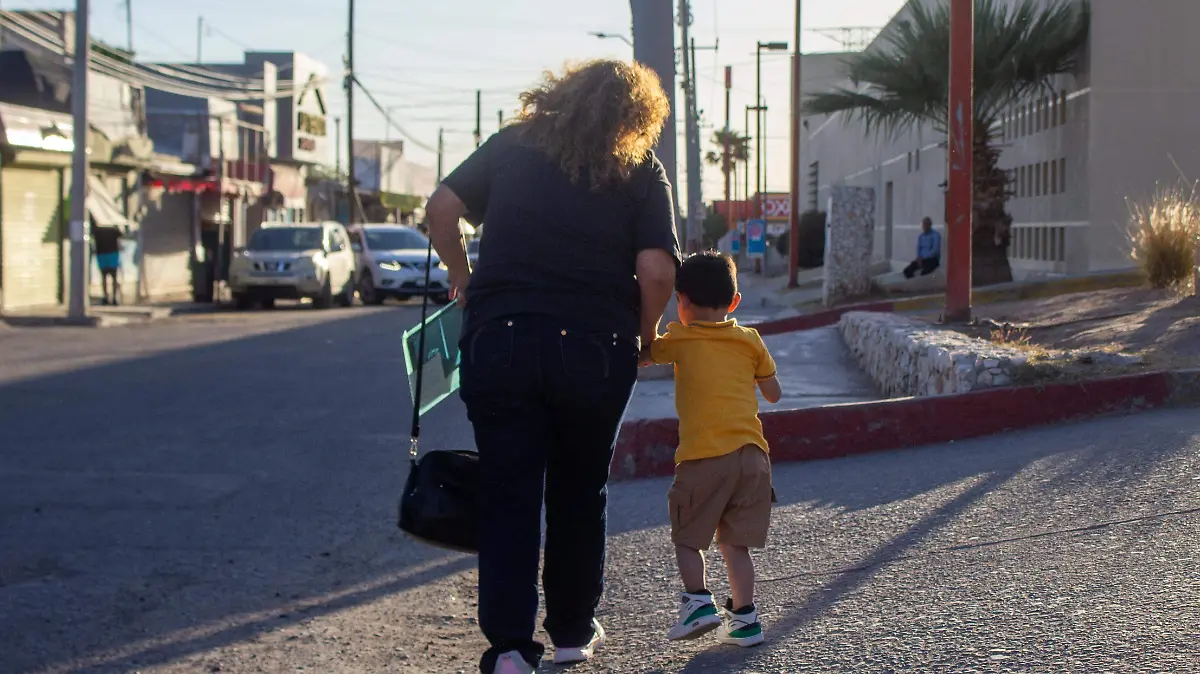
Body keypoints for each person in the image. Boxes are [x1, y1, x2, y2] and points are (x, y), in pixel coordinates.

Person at [423, 60, 679, 674]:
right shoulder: (640, 167)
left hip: (500, 342)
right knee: (578, 490)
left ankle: (509, 649)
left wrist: (464, 279)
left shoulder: (513, 143)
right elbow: (658, 271)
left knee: (507, 492)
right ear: (637, 116)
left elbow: (440, 208)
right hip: (595, 347)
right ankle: (570, 633)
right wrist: (646, 336)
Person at [646, 251, 782, 649]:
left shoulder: (680, 339)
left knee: (689, 537)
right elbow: (773, 395)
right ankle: (745, 621)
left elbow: (643, 355)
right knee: (734, 544)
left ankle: (698, 603)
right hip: (754, 458)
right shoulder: (750, 340)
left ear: (681, 301)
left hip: (704, 455)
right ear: (735, 302)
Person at [92, 222, 123, 305]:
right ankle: (113, 298)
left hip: (102, 254)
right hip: (112, 254)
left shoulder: (97, 229)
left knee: (104, 277)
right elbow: (121, 235)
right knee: (113, 277)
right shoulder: (113, 228)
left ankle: (106, 297)